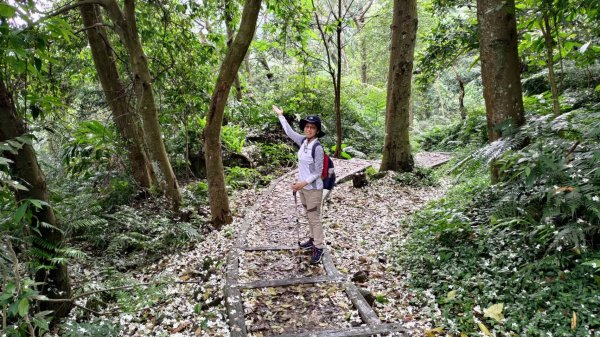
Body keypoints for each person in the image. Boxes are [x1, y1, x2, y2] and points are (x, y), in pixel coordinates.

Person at [273, 105, 326, 264]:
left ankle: (319, 246)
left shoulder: (317, 147)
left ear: (317, 131)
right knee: (309, 215)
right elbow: (289, 132)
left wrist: (302, 183)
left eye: (312, 127)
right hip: (303, 187)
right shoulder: (303, 141)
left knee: (314, 217)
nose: (309, 129)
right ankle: (312, 239)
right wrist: (281, 115)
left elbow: (318, 172)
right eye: (307, 126)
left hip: (313, 189)